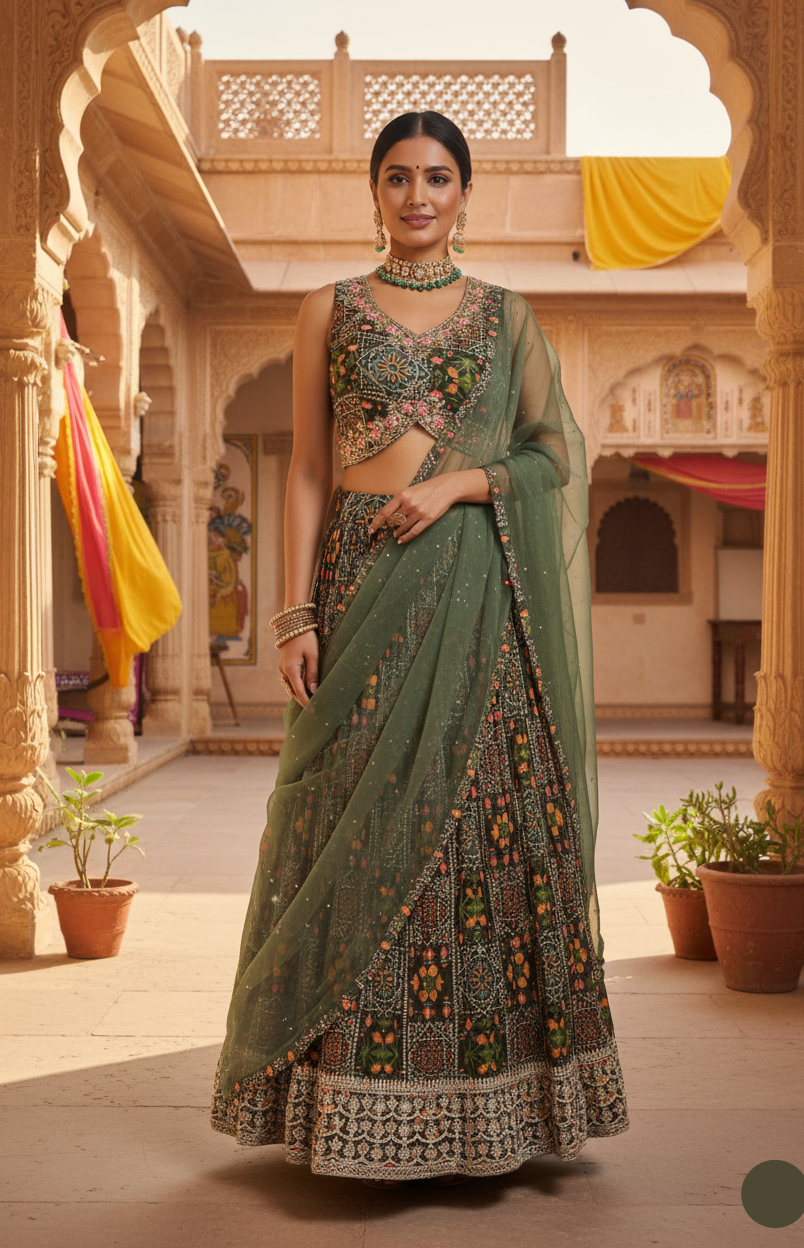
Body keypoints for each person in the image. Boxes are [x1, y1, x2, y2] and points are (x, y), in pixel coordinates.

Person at [211, 110, 629, 1185]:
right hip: (358, 590)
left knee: (481, 830)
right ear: (374, 191)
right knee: (349, 825)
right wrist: (293, 615)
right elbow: (308, 468)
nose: (416, 197)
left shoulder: (507, 317)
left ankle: (491, 1111)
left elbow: (551, 453)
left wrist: (456, 481)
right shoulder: (327, 312)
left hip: (477, 597)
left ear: (464, 192)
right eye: (397, 177)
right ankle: (347, 1103)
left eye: (437, 178)